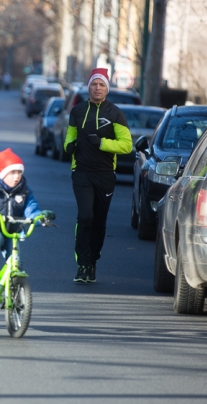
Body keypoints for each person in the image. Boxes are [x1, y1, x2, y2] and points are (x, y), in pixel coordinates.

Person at [63, 68, 132, 283]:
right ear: (89, 87)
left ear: (107, 88)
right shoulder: (77, 111)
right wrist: (69, 146)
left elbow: (127, 145)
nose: (98, 88)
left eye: (102, 85)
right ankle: (82, 264)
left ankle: (92, 260)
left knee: (99, 221)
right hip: (81, 172)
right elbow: (69, 137)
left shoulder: (115, 113)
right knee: (85, 216)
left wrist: (102, 143)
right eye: (94, 84)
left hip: (105, 174)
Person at [0, 149, 53, 287]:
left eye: (19, 172)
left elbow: (32, 209)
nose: (16, 177)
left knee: (15, 260)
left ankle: (16, 291)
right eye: (12, 172)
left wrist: (41, 217)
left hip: (11, 230)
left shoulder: (24, 191)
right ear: (2, 174)